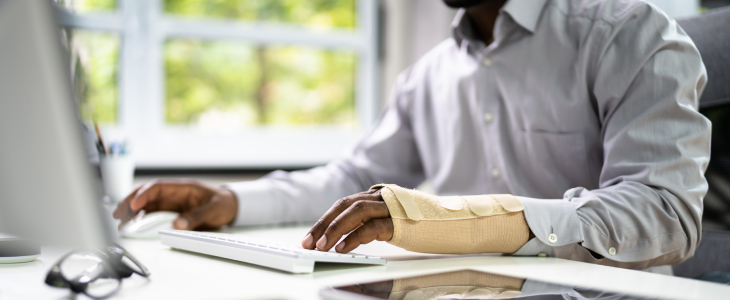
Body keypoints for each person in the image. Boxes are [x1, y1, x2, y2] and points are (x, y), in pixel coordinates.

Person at [113, 0, 710, 271]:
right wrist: (234, 201)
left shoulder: (629, 34)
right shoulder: (429, 74)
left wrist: (458, 220)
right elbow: (349, 178)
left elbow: (667, 214)